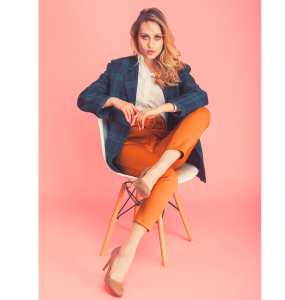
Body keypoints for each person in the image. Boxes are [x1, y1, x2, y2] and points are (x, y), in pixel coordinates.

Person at [77, 7, 210, 297]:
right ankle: (126, 253)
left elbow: (201, 97)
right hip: (131, 143)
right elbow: (84, 97)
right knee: (167, 180)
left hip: (167, 144)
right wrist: (115, 101)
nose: (151, 43)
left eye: (157, 37)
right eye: (144, 36)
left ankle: (154, 177)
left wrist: (161, 108)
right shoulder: (118, 68)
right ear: (136, 39)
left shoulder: (177, 70)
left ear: (165, 40)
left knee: (203, 114)